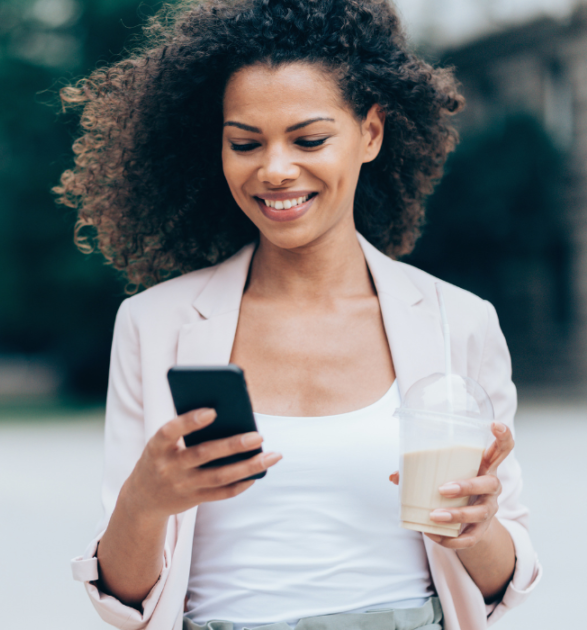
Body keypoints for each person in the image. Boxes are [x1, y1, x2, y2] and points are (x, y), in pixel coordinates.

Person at [54, 1, 542, 628]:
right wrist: (146, 500)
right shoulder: (157, 325)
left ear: (370, 133)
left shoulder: (459, 322)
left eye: (309, 139)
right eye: (245, 143)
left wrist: (475, 528)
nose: (275, 169)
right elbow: (124, 602)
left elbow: (510, 579)